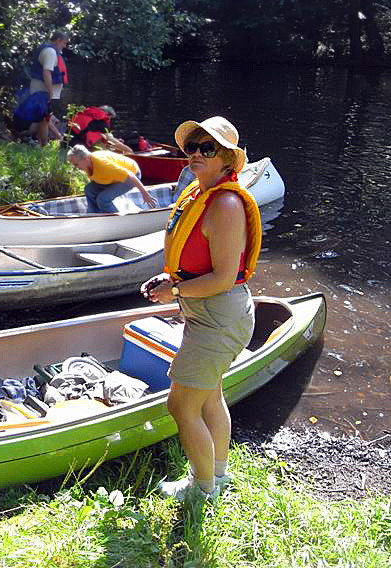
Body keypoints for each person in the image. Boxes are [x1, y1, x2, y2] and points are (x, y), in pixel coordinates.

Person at [138, 116, 262, 504]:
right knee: (208, 397)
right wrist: (170, 280)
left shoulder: (225, 204)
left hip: (219, 315)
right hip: (206, 311)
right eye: (191, 147)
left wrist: (175, 290)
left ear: (227, 158)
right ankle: (217, 476)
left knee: (180, 404)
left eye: (206, 148)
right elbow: (195, 259)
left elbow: (224, 278)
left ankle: (202, 488)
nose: (194, 154)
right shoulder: (198, 193)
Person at [65, 145, 158, 213]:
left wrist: (145, 194)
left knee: (102, 199)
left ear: (85, 159)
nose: (75, 167)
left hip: (133, 175)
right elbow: (96, 180)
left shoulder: (103, 165)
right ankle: (95, 215)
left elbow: (130, 175)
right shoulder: (87, 164)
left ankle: (117, 221)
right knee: (89, 190)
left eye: (76, 164)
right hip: (113, 177)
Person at [27, 32, 69, 115]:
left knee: (43, 117)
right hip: (42, 92)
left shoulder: (47, 48)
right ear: (58, 40)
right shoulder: (50, 52)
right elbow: (46, 73)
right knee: (42, 118)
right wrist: (50, 91)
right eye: (64, 43)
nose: (64, 46)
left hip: (41, 91)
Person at [67, 105, 132, 153]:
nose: (109, 120)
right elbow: (111, 140)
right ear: (108, 115)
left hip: (67, 141)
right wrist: (128, 150)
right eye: (110, 118)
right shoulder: (101, 122)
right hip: (78, 146)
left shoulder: (87, 115)